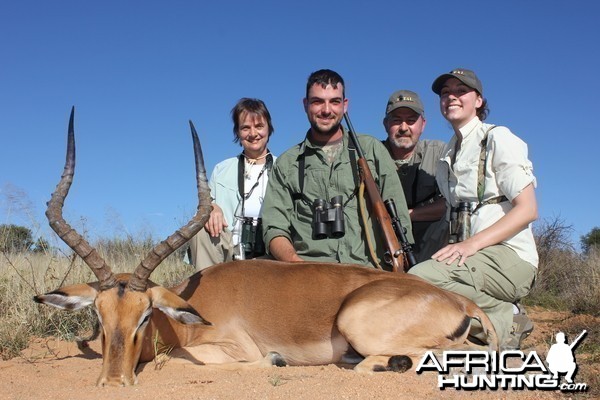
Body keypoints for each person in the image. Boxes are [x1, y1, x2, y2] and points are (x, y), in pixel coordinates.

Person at [408, 68, 538, 350]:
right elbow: (450, 204)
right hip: (475, 257)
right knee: (415, 282)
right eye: (445, 93)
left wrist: (470, 245)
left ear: (478, 100)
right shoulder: (450, 150)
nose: (451, 97)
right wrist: (411, 216)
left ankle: (507, 317)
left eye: (460, 91)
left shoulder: (497, 138)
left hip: (509, 255)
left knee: (420, 279)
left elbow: (527, 209)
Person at [261, 69, 413, 269]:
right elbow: (274, 228)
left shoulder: (372, 150)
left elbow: (400, 219)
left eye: (334, 101)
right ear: (305, 105)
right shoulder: (287, 163)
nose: (326, 110)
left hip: (369, 273)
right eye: (317, 101)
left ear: (345, 105)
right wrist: (297, 265)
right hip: (308, 273)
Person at [188, 98, 276, 269]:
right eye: (245, 128)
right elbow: (206, 204)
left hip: (269, 252)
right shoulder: (222, 169)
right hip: (232, 249)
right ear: (237, 132)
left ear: (268, 128)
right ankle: (208, 289)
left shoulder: (284, 167)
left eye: (259, 126)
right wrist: (212, 207)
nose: (253, 133)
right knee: (199, 229)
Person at [382, 89, 447, 262]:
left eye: (411, 121)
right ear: (385, 124)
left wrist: (406, 214)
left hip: (431, 249)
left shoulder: (441, 152)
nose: (404, 128)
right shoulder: (371, 155)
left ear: (423, 124)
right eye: (396, 121)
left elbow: (452, 202)